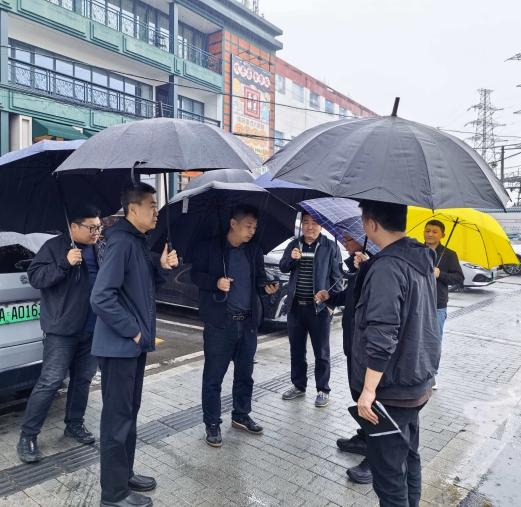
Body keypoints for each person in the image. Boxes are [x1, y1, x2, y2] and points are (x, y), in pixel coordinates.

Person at [91, 182, 178, 507]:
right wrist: (134, 332)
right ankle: (113, 495)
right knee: (117, 420)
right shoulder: (121, 243)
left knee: (129, 414)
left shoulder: (136, 241)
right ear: (132, 209)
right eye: (151, 206)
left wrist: (161, 267)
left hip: (131, 348)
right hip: (119, 348)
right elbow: (101, 297)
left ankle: (123, 475)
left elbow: (140, 288)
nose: (156, 212)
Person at [351, 200, 440, 507]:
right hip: (416, 380)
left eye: (363, 219)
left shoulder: (388, 267)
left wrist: (368, 391)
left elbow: (383, 333)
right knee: (409, 458)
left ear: (371, 223)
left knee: (388, 476)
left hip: (391, 389)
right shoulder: (419, 257)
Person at [17, 206, 103, 464]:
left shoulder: (100, 247)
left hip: (93, 327)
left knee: (83, 379)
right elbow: (36, 277)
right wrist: (64, 263)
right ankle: (28, 436)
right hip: (62, 330)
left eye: (99, 227)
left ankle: (74, 424)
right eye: (91, 227)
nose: (96, 232)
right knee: (50, 381)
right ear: (74, 227)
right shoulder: (54, 247)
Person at [191, 205, 279, 448]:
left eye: (254, 227)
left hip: (247, 323)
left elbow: (259, 279)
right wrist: (216, 282)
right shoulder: (211, 247)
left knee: (245, 375)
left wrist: (267, 287)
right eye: (248, 226)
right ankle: (212, 422)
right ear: (233, 223)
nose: (252, 231)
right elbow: (195, 275)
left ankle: (241, 414)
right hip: (221, 324)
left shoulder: (254, 250)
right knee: (213, 377)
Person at [279, 213, 341, 408]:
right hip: (296, 307)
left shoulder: (330, 246)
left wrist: (331, 305)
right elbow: (283, 267)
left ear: (321, 226)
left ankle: (323, 389)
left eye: (314, 223)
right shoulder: (294, 244)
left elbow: (337, 278)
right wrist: (292, 259)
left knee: (321, 352)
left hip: (319, 310)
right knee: (296, 350)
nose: (310, 227)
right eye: (306, 222)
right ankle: (299, 385)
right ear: (301, 224)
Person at [333, 233, 373, 484]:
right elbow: (350, 295)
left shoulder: (379, 266)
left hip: (370, 347)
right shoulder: (358, 264)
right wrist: (330, 297)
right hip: (353, 342)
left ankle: (377, 455)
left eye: (349, 240)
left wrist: (367, 267)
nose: (345, 244)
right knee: (357, 393)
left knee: (372, 401)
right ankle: (365, 437)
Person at [424, 219, 464, 389]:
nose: (430, 234)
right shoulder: (416, 251)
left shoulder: (449, 254)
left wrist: (440, 274)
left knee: (434, 341)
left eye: (434, 231)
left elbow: (459, 278)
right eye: (427, 230)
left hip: (437, 305)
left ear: (442, 235)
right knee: (415, 339)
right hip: (417, 303)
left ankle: (431, 375)